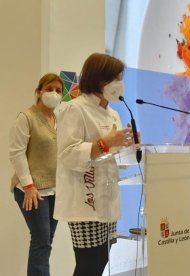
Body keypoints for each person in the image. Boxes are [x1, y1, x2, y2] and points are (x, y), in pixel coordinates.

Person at [54, 53, 134, 276]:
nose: (120, 83)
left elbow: (115, 153)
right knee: (89, 264)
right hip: (85, 199)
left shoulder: (113, 113)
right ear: (100, 80)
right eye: (116, 78)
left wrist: (130, 145)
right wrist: (103, 144)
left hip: (107, 198)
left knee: (102, 258)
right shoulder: (75, 109)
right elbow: (68, 154)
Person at [9, 73, 64, 276]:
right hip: (32, 190)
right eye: (49, 89)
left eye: (58, 91)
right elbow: (16, 153)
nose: (54, 93)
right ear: (39, 92)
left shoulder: (58, 120)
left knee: (46, 242)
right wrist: (29, 186)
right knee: (41, 241)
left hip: (54, 190)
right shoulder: (26, 118)